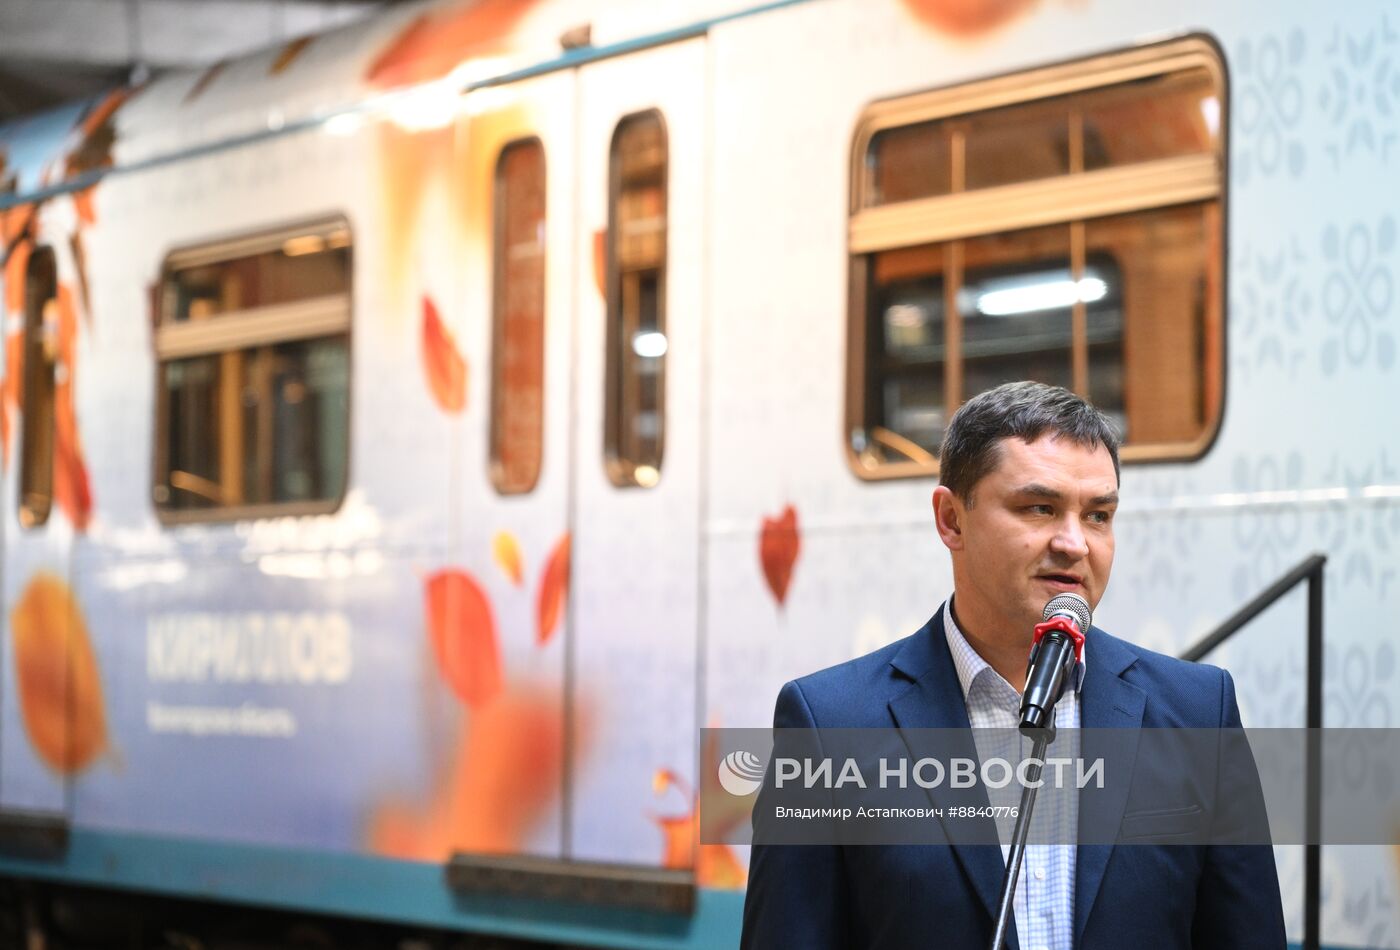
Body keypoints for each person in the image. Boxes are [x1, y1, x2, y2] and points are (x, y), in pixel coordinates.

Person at [740, 381, 1285, 949]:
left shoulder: (1197, 711)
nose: (1075, 543)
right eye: (1040, 508)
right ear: (951, 519)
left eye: (1098, 515)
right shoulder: (831, 725)